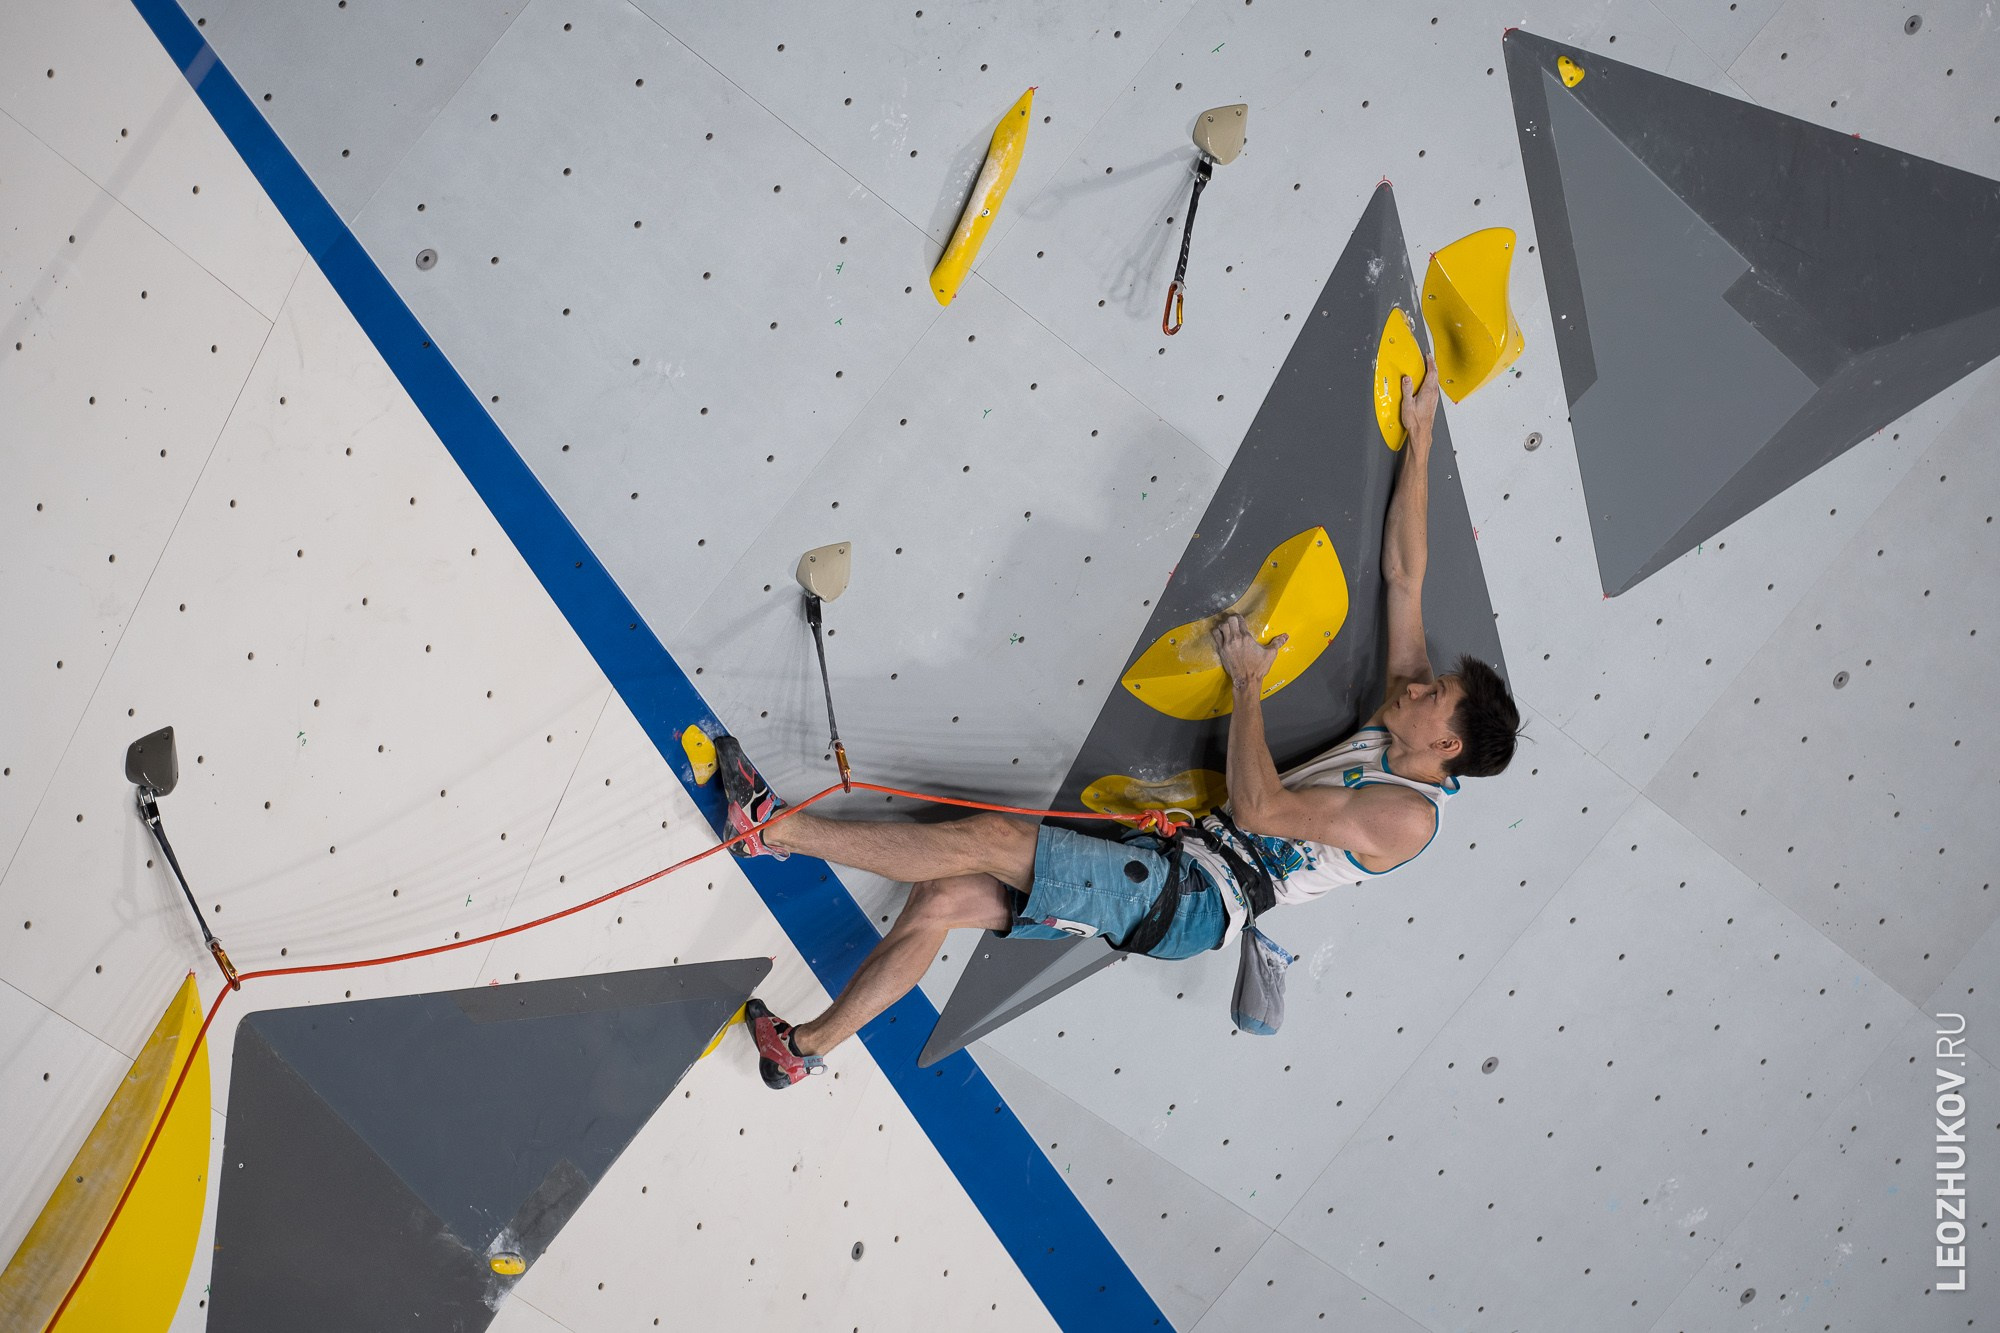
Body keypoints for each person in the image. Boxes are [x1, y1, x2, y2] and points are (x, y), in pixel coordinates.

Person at [727, 356, 1520, 1089]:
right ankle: (802, 1052)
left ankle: (774, 831)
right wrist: (1419, 437)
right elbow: (1404, 575)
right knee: (939, 899)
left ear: (1445, 747)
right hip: (1173, 864)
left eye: (1430, 699)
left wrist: (1250, 685)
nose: (1415, 687)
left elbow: (1262, 811)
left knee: (992, 839)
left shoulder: (1404, 817)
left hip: (1189, 896)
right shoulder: (1405, 727)